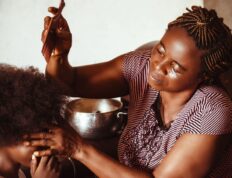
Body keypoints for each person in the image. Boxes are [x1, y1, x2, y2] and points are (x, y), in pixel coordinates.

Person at [25, 6, 232, 178]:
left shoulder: (211, 110)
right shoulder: (141, 67)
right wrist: (58, 55)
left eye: (175, 67)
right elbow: (67, 83)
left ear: (203, 76)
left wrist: (78, 149)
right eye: (160, 50)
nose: (158, 67)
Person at [0, 64, 76, 178]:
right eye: (41, 137)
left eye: (48, 133)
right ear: (7, 133)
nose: (49, 145)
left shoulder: (18, 174)